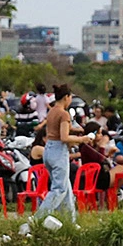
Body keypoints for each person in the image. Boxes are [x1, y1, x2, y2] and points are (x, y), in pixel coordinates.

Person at [34, 83, 80, 221]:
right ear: (67, 97)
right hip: (59, 152)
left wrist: (78, 131)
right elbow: (64, 137)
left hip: (49, 150)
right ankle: (38, 219)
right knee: (59, 189)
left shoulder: (52, 111)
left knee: (66, 188)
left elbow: (55, 131)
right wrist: (82, 139)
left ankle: (70, 222)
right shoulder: (64, 114)